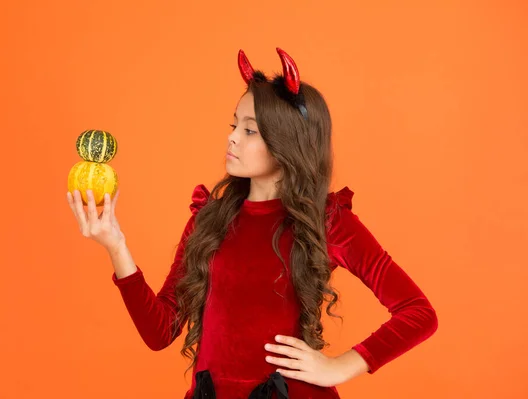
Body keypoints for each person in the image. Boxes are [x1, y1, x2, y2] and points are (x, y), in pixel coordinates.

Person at [66, 47, 438, 399]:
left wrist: (341, 366)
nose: (231, 137)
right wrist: (116, 246)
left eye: (249, 130)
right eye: (233, 125)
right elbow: (160, 331)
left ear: (287, 143)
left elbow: (419, 313)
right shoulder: (209, 220)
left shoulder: (328, 221)